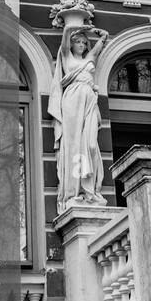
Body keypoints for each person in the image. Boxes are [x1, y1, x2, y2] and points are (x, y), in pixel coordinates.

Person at [49, 26, 109, 212]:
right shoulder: (66, 56)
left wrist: (100, 34)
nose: (82, 45)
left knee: (91, 145)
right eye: (78, 42)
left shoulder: (89, 59)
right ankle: (75, 191)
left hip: (90, 101)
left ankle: (90, 189)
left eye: (84, 42)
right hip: (73, 100)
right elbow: (66, 37)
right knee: (75, 143)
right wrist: (75, 28)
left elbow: (102, 41)